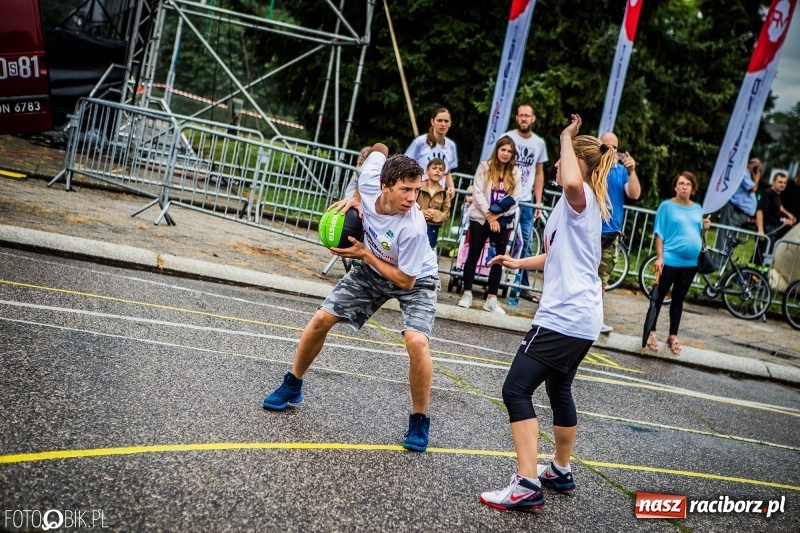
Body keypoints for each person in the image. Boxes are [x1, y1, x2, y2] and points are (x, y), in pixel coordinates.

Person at [262, 143, 440, 452]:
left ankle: (419, 420)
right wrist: (357, 196)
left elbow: (405, 280)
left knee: (417, 341)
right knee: (321, 318)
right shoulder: (371, 178)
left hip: (415, 277)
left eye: (416, 190)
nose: (413, 198)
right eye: (405, 190)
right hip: (371, 266)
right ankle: (292, 385)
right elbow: (379, 149)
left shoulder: (412, 226)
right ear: (384, 186)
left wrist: (365, 255)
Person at [479, 114, 613, 512]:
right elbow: (557, 256)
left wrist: (564, 136)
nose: (557, 164)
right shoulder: (571, 207)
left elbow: (572, 178)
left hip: (564, 318)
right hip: (581, 319)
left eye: (564, 157)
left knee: (515, 390)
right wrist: (520, 264)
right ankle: (559, 469)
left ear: (580, 163)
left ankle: (526, 484)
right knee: (559, 389)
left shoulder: (580, 196)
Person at [641, 172, 711, 356]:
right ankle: (651, 332)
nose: (684, 187)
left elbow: (697, 234)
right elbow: (659, 233)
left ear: (693, 189)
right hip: (670, 259)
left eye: (688, 184)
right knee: (658, 296)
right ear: (675, 187)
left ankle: (672, 335)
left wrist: (704, 228)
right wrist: (659, 256)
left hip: (690, 263)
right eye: (681, 183)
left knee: (679, 299)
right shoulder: (666, 206)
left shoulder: (697, 208)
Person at [457, 136, 520, 315]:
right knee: (473, 254)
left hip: (503, 221)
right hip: (480, 218)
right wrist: (489, 217)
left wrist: (497, 217)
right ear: (497, 150)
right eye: (503, 150)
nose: (506, 154)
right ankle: (467, 293)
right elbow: (477, 193)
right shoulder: (485, 167)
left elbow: (515, 199)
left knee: (498, 259)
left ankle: (491, 299)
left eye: (509, 151)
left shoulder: (515, 173)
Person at [502, 104, 548, 303]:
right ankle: (494, 280)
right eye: (521, 115)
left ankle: (522, 287)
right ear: (516, 117)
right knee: (501, 239)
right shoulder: (508, 137)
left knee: (527, 243)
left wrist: (539, 201)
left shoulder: (539, 143)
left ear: (533, 119)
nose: (523, 119)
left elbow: (539, 173)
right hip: (506, 196)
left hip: (527, 200)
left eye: (527, 116)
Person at [597, 131, 640, 333]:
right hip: (589, 231)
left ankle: (595, 318)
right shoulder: (592, 166)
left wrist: (632, 171)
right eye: (607, 145)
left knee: (601, 280)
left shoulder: (621, 170)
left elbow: (634, 194)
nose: (611, 150)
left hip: (610, 232)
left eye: (615, 147)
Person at [715, 157, 760, 265]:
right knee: (725, 234)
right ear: (753, 166)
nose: (758, 172)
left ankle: (723, 262)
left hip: (740, 210)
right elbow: (753, 188)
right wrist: (757, 178)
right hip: (734, 207)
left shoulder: (748, 174)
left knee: (730, 237)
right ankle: (718, 263)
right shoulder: (743, 172)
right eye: (757, 169)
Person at [405, 107, 457, 198]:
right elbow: (405, 165)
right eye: (439, 120)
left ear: (450, 124)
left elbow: (447, 172)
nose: (443, 124)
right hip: (419, 192)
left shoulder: (451, 146)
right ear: (432, 121)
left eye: (446, 121)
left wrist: (451, 187)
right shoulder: (420, 142)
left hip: (438, 194)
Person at [755, 172, 796, 265]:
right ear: (773, 182)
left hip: (773, 229)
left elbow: (775, 210)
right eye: (780, 182)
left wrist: (784, 219)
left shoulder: (777, 195)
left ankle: (760, 277)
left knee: (767, 257)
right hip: (767, 229)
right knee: (762, 257)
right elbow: (760, 211)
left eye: (785, 183)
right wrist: (761, 230)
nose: (783, 185)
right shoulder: (768, 193)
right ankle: (750, 277)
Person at [417, 158, 452, 249]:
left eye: (441, 170)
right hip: (416, 224)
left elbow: (446, 214)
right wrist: (422, 213)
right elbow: (409, 205)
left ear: (443, 174)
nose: (437, 171)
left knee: (427, 253)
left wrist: (435, 215)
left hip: (432, 228)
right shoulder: (418, 187)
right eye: (434, 168)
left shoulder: (444, 193)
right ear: (427, 171)